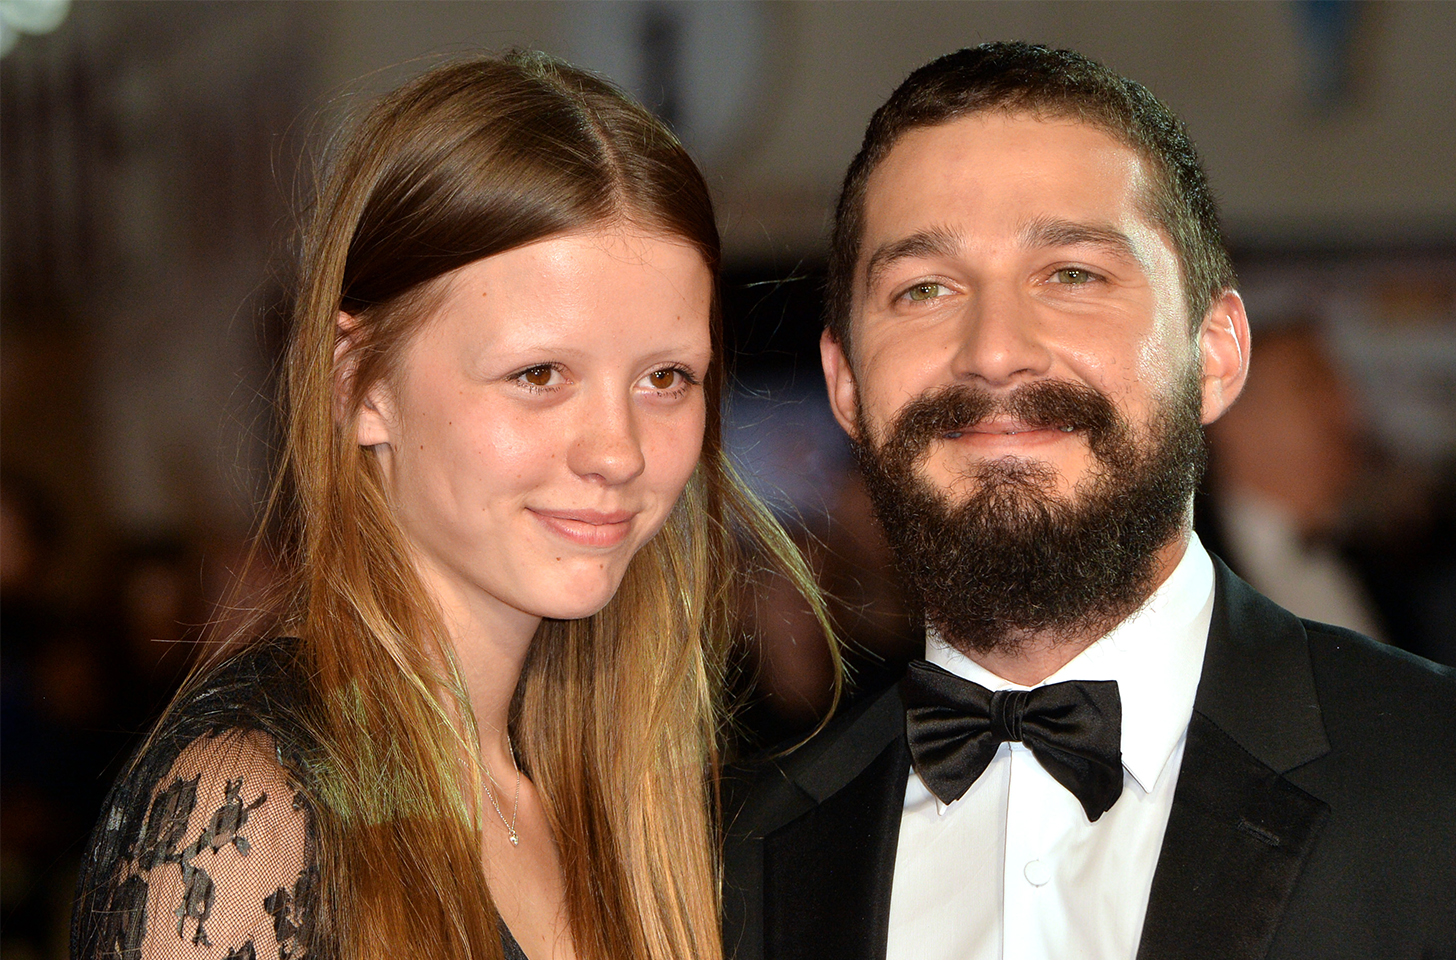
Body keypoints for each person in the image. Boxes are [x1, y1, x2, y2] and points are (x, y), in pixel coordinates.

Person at [73, 53, 828, 960]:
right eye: (539, 374)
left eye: (666, 378)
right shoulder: (255, 811)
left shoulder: (620, 797)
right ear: (360, 384)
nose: (618, 451)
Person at [722, 42, 1456, 960]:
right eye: (925, 289)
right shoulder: (733, 857)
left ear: (1215, 353)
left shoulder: (1435, 780)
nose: (995, 350)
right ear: (844, 384)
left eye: (1072, 274)